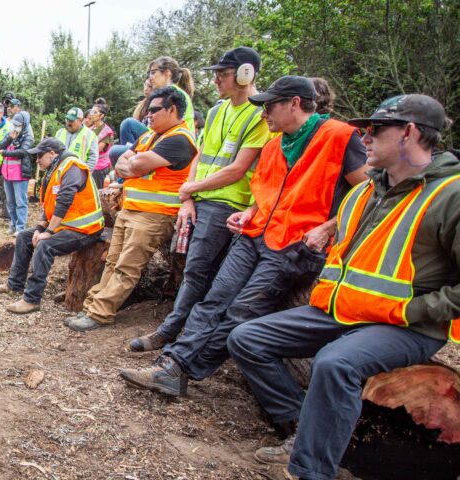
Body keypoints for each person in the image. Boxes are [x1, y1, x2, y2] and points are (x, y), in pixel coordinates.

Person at [228, 94, 457, 480]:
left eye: (375, 130)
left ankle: (310, 470)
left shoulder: (449, 195)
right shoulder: (365, 191)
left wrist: (417, 311)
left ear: (410, 133)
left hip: (405, 326)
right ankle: (303, 428)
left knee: (335, 363)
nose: (363, 137)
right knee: (246, 338)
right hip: (345, 311)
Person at [118, 76, 370, 397]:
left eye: (269, 106)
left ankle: (187, 367)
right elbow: (267, 189)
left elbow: (369, 192)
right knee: (213, 299)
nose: (264, 114)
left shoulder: (339, 136)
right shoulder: (275, 143)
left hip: (293, 246)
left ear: (294, 103)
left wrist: (328, 227)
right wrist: (250, 211)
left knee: (242, 312)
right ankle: (172, 365)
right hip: (254, 233)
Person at [128, 47, 271, 352]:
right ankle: (180, 328)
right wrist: (189, 195)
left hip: (226, 203)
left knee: (196, 270)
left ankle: (170, 331)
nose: (217, 79)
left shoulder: (259, 115)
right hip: (199, 198)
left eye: (224, 73)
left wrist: (191, 191)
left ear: (246, 73)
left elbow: (237, 169)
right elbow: (201, 155)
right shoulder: (219, 110)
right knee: (192, 267)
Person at [64, 87, 198, 331]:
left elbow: (136, 163)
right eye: (148, 109)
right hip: (131, 210)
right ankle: (92, 306)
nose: (148, 114)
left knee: (127, 267)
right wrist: (134, 165)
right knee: (113, 262)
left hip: (154, 216)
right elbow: (125, 162)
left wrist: (135, 165)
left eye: (155, 109)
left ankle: (100, 314)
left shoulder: (179, 139)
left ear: (172, 109)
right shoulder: (149, 136)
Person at [0, 137, 104, 314]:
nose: (37, 160)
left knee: (45, 246)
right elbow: (49, 206)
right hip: (66, 226)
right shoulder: (54, 170)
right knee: (23, 236)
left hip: (86, 229)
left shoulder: (72, 167)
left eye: (39, 156)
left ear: (52, 154)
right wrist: (39, 229)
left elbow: (64, 201)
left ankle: (32, 299)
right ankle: (14, 284)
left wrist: (49, 232)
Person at [110, 56, 197, 162]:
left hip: (172, 140)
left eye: (153, 72)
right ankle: (133, 154)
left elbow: (165, 126)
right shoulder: (171, 93)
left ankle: (132, 158)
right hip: (164, 136)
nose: (150, 77)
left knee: (117, 146)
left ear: (167, 73)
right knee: (126, 130)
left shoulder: (174, 94)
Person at [0, 111, 35, 235]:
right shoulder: (12, 133)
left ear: (24, 124)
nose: (16, 126)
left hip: (20, 174)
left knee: (21, 202)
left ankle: (20, 228)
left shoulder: (28, 137)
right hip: (7, 173)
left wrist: (5, 153)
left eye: (18, 124)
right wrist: (9, 138)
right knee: (10, 202)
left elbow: (23, 152)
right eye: (14, 124)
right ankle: (13, 225)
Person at [87, 98, 114, 188]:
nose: (91, 114)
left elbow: (96, 150)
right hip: (89, 164)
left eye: (95, 112)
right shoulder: (90, 130)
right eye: (91, 111)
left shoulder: (106, 131)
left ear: (101, 115)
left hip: (100, 167)